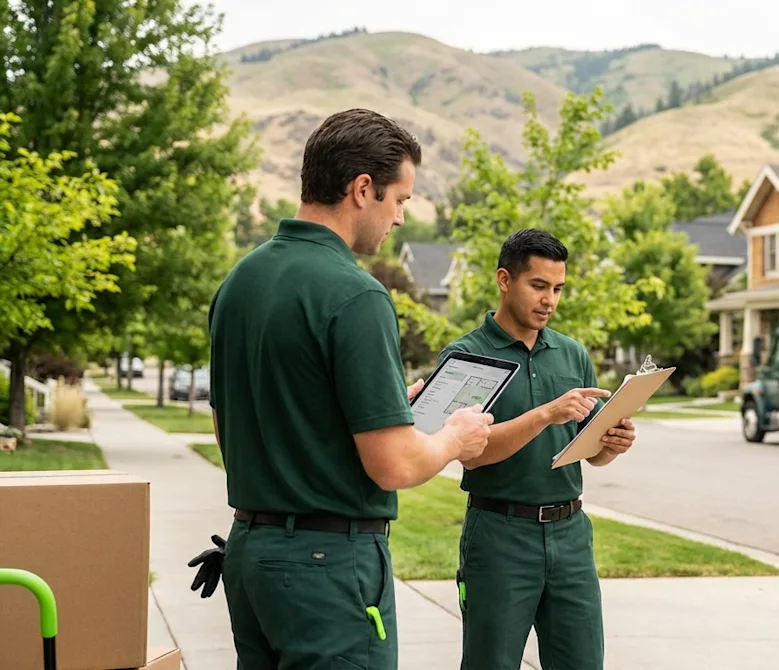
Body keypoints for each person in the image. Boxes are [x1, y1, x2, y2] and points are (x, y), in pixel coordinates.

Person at [192, 108, 494, 670]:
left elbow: (230, 423)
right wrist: (456, 435)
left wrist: (379, 402)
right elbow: (394, 466)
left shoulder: (239, 282)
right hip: (328, 566)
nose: (401, 218)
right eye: (400, 200)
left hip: (251, 556)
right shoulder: (356, 295)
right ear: (362, 189)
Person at [437, 228, 638, 670]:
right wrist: (546, 414)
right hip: (499, 535)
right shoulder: (467, 357)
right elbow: (469, 453)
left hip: (571, 534)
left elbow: (593, 452)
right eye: (539, 286)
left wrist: (612, 445)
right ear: (505, 280)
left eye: (558, 289)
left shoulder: (571, 354)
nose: (550, 300)